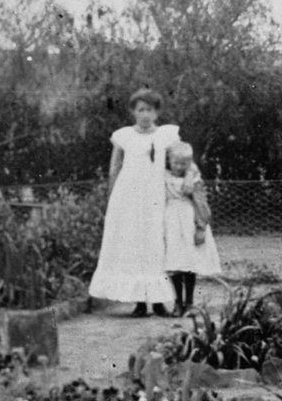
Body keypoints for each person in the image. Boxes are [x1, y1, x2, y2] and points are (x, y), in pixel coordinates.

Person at [86, 87, 176, 316]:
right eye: (140, 110)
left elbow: (179, 161)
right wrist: (111, 198)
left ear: (157, 113)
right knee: (133, 246)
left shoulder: (166, 135)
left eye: (150, 110)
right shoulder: (124, 136)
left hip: (155, 198)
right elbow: (114, 168)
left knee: (155, 246)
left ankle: (157, 302)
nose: (145, 114)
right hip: (128, 199)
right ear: (133, 112)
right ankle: (139, 302)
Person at [162, 140, 222, 315]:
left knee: (189, 262)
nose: (179, 166)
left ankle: (189, 302)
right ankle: (177, 303)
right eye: (176, 162)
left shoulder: (193, 179)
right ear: (169, 161)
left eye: (184, 163)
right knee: (174, 262)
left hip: (188, 219)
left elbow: (201, 203)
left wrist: (201, 227)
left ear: (189, 164)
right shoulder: (164, 175)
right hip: (170, 220)